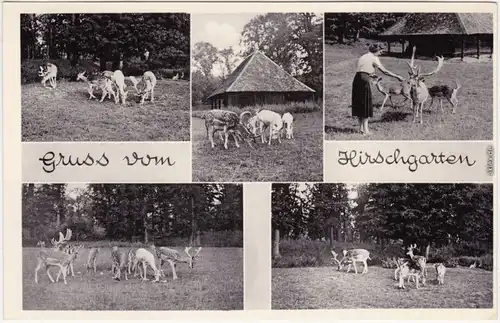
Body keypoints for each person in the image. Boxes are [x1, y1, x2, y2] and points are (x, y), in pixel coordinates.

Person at [351, 43, 404, 135]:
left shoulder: (363, 56)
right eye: (380, 51)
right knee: (366, 104)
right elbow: (384, 71)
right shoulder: (374, 58)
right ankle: (366, 131)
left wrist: (371, 74)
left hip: (357, 79)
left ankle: (361, 129)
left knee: (359, 103)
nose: (381, 53)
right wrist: (397, 76)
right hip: (364, 79)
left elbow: (363, 69)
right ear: (376, 51)